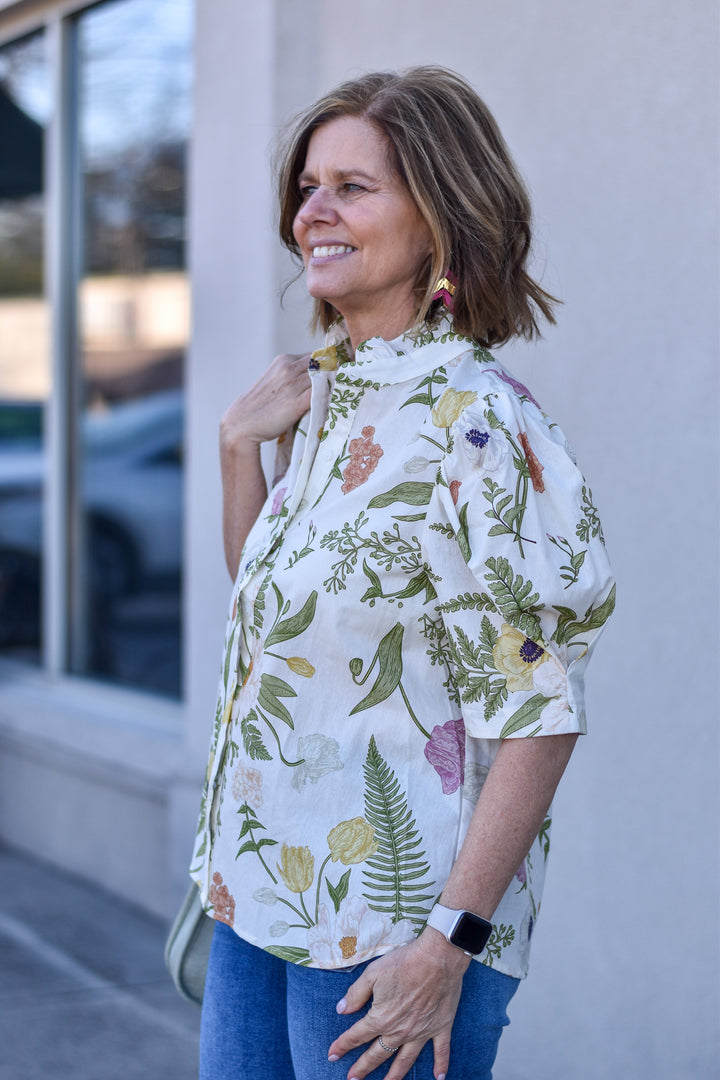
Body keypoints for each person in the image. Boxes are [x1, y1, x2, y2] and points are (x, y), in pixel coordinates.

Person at [192, 66, 615, 1080]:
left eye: (353, 186)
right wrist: (239, 448)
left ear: (440, 216)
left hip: (393, 935)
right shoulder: (329, 399)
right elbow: (277, 616)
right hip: (258, 894)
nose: (314, 213)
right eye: (306, 187)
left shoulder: (478, 425)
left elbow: (541, 711)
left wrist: (447, 947)